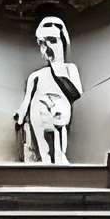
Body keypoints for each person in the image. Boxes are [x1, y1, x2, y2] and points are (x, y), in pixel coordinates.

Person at [16, 14, 80, 163]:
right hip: (39, 110)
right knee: (41, 137)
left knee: (60, 129)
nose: (48, 46)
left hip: (60, 109)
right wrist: (20, 116)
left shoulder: (70, 69)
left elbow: (76, 92)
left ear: (63, 42)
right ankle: (43, 159)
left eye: (53, 41)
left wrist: (58, 71)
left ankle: (60, 157)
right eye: (43, 42)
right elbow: (26, 101)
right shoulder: (36, 75)